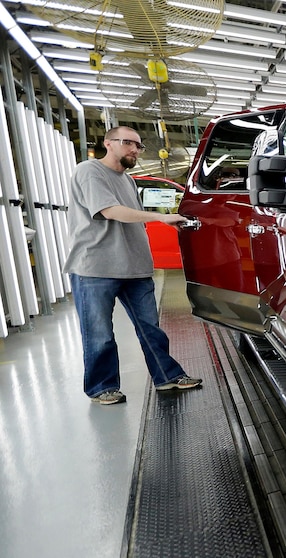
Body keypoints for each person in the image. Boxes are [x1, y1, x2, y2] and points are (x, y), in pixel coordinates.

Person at [64, 126, 202, 405]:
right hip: (96, 268)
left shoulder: (127, 180)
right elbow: (109, 211)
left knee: (151, 328)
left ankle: (167, 376)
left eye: (138, 146)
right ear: (108, 143)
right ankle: (102, 387)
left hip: (135, 267)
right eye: (128, 143)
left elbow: (132, 217)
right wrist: (160, 217)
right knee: (99, 334)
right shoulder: (89, 171)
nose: (134, 150)